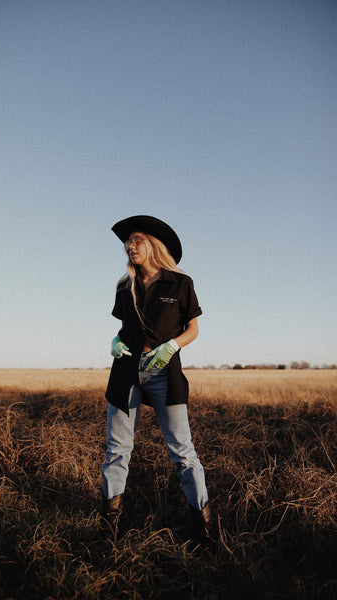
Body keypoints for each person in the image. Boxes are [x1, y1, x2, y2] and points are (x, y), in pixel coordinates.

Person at [101, 215, 211, 540]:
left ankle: (203, 530)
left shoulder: (180, 283)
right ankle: (110, 531)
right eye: (128, 241)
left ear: (153, 245)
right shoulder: (125, 287)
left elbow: (193, 328)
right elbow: (123, 329)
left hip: (164, 372)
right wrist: (116, 341)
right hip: (126, 373)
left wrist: (172, 346)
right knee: (117, 450)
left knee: (182, 451)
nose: (130, 245)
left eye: (137, 239)